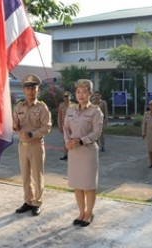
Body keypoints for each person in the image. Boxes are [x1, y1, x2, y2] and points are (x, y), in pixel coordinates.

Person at [64, 79, 103, 227]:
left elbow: (97, 132)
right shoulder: (71, 110)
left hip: (88, 152)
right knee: (77, 184)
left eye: (84, 92)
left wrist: (80, 140)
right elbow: (66, 127)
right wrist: (67, 141)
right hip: (74, 152)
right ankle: (81, 212)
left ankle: (89, 213)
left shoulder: (95, 111)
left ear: (90, 93)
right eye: (78, 92)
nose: (80, 95)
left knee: (88, 185)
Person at [12, 74, 52, 216]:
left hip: (36, 145)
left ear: (38, 90)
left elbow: (46, 128)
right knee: (25, 176)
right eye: (27, 88)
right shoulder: (19, 107)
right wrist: (14, 126)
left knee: (37, 175)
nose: (30, 91)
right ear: (23, 91)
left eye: (33, 88)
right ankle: (28, 201)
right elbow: (15, 125)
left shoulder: (42, 108)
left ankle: (37, 202)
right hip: (22, 146)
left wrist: (31, 134)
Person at [58, 91, 73, 160]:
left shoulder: (74, 105)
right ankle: (65, 155)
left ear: (70, 97)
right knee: (65, 140)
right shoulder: (61, 105)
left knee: (72, 139)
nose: (66, 98)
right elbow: (59, 116)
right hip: (64, 125)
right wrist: (59, 125)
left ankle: (72, 155)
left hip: (72, 125)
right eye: (65, 96)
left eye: (67, 96)